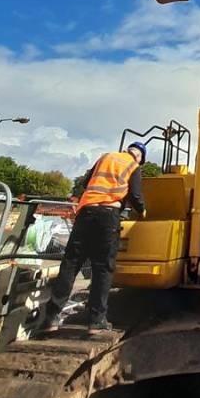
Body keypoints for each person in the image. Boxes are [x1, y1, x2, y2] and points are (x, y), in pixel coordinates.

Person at [39, 142, 147, 336]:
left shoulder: (105, 157)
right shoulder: (133, 166)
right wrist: (142, 211)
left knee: (71, 263)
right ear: (139, 157)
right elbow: (136, 194)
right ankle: (96, 321)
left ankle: (51, 318)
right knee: (103, 267)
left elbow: (85, 182)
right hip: (108, 215)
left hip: (86, 211)